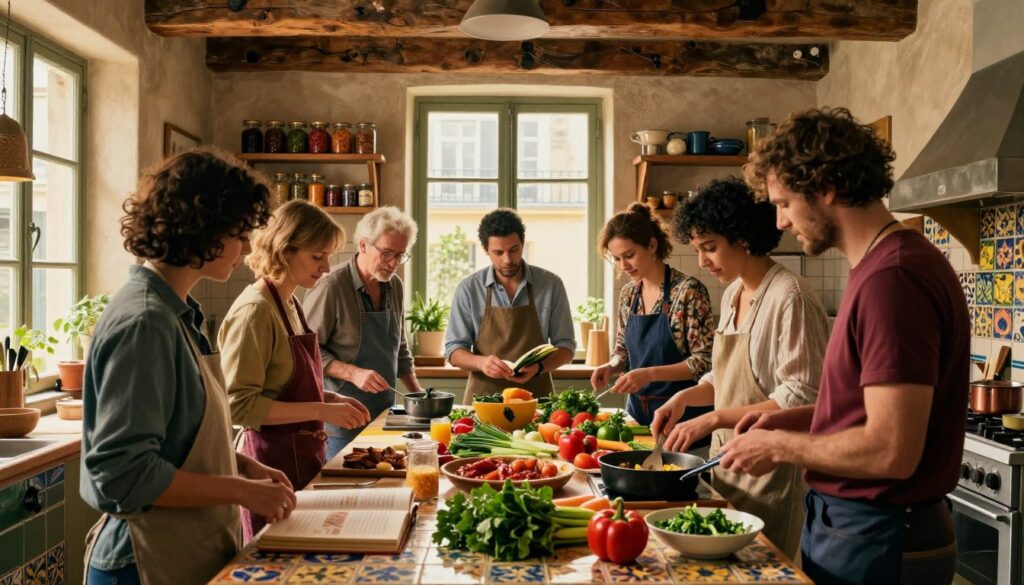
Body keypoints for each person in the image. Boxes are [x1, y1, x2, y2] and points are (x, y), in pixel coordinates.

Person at [721, 107, 969, 584]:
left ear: (825, 189)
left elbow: (891, 449)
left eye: (785, 203)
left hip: (882, 535)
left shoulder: (893, 279)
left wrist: (780, 445)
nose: (779, 222)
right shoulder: (880, 267)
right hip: (858, 529)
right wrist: (790, 420)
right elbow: (868, 412)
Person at [80, 148, 296, 585]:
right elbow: (124, 475)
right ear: (203, 231)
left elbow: (176, 443)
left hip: (181, 551)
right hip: (141, 562)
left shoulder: (177, 312)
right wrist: (241, 490)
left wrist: (241, 466)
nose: (247, 247)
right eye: (239, 232)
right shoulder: (145, 323)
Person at [650, 177, 829, 557]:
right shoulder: (733, 293)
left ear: (743, 237)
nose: (702, 261)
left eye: (710, 248)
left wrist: (714, 419)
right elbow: (722, 375)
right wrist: (685, 398)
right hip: (726, 464)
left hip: (770, 472)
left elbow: (799, 396)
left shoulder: (790, 296)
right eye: (698, 249)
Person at [219, 199, 371, 540]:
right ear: (284, 251)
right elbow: (239, 407)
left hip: (302, 461)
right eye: (317, 256)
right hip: (270, 468)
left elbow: (284, 384)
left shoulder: (290, 302)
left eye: (328, 256)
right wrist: (321, 409)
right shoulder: (255, 311)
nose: (327, 268)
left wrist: (329, 397)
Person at [304, 206, 423, 459]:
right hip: (339, 422)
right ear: (363, 245)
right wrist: (352, 373)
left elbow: (399, 347)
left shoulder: (395, 286)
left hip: (383, 417)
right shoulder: (330, 286)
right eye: (387, 253)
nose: (393, 264)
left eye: (401, 255)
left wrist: (418, 397)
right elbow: (306, 352)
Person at [591, 203, 715, 428]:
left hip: (683, 420)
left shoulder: (688, 291)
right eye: (616, 259)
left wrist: (649, 375)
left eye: (629, 255)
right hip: (637, 417)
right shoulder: (629, 293)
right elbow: (622, 350)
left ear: (651, 245)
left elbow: (705, 361)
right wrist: (611, 365)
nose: (623, 266)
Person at [446, 208, 576, 401]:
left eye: (514, 250)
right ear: (485, 250)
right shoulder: (468, 288)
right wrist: (481, 363)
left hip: (537, 402)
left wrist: (539, 367)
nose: (507, 260)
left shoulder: (551, 285)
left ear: (522, 244)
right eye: (498, 252)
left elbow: (566, 347)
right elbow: (453, 350)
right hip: (483, 402)